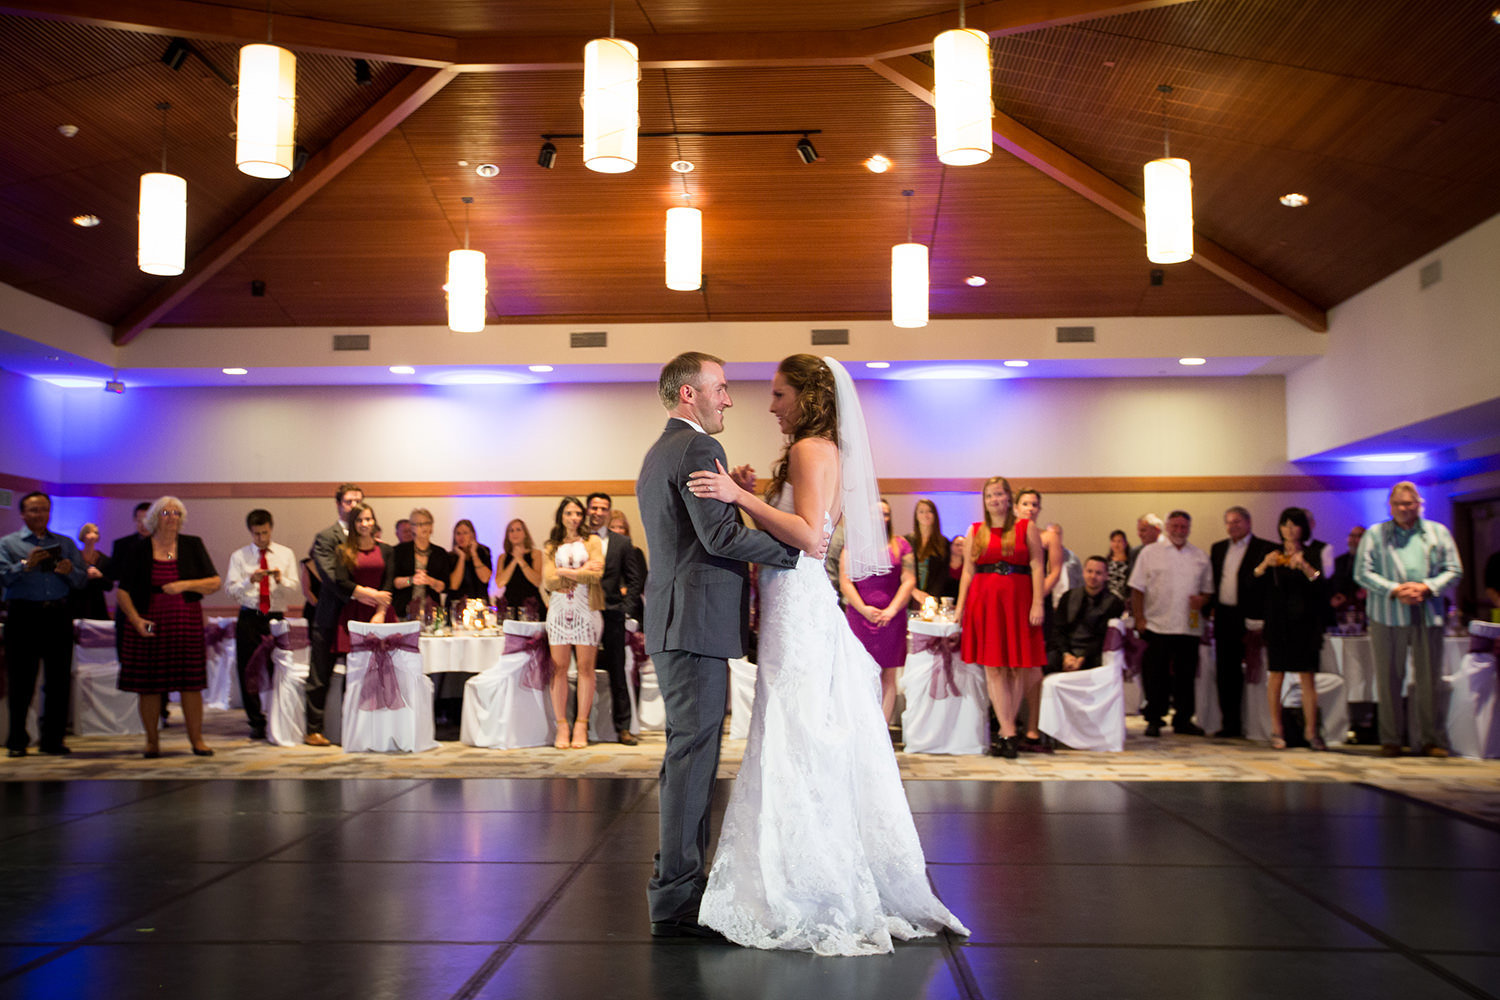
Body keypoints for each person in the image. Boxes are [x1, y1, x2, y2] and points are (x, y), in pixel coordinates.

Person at [685, 352, 966, 954]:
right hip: (795, 601)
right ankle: (803, 864)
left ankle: (805, 880)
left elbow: (812, 537)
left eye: (780, 394)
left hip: (797, 600)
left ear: (808, 397)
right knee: (798, 725)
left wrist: (741, 496)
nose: (770, 404)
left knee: (798, 727)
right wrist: (756, 496)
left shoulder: (814, 449)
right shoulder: (820, 450)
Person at [635, 350, 804, 941]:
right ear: (690, 394)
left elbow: (694, 532)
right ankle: (677, 901)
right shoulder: (699, 449)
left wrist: (740, 493)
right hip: (694, 626)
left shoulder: (662, 451)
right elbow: (720, 535)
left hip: (679, 622)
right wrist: (795, 553)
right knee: (692, 761)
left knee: (687, 757)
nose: (729, 398)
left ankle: (677, 885)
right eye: (722, 388)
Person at [1355, 481, 1463, 757]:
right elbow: (1362, 572)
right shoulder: (1376, 534)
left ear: (1419, 504)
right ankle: (1391, 740)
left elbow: (1454, 570)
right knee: (1389, 678)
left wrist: (1426, 587)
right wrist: (1394, 589)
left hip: (1427, 614)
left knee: (1429, 680)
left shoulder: (1437, 532)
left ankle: (1430, 740)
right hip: (1387, 614)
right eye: (1398, 504)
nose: (1403, 508)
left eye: (1408, 503)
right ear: (1390, 507)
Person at [114, 496, 221, 758]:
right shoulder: (139, 549)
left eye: (176, 513)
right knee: (149, 684)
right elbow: (123, 591)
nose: (171, 517)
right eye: (165, 512)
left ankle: (197, 740)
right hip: (149, 624)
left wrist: (184, 585)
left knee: (191, 683)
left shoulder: (191, 545)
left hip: (185, 622)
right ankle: (152, 742)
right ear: (154, 518)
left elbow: (214, 582)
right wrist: (136, 620)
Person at [955, 476, 1046, 758]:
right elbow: (968, 571)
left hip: (1018, 600)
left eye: (999, 494)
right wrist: (960, 608)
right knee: (993, 667)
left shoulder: (1025, 527)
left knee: (1016, 666)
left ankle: (1008, 731)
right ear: (984, 501)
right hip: (985, 602)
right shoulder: (975, 530)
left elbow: (1037, 565)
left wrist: (1038, 602)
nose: (994, 500)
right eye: (989, 496)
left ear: (1009, 498)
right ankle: (1008, 731)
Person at [1, 491, 86, 757]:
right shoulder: (8, 543)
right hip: (23, 616)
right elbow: (2, 577)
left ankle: (53, 740)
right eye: (34, 510)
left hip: (57, 616)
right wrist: (26, 564)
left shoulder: (65, 542)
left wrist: (69, 571)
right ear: (23, 513)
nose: (40, 515)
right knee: (21, 681)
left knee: (59, 682)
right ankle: (17, 740)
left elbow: (82, 580)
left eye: (45, 510)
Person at [1128, 510, 1213, 738]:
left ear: (1189, 529)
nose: (1179, 531)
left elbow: (1207, 591)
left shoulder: (1200, 556)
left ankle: (1183, 719)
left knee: (1186, 676)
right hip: (1157, 624)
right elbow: (1137, 589)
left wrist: (1202, 600)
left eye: (1183, 527)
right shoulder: (1150, 553)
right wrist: (1140, 619)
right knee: (1156, 675)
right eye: (1174, 526)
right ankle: (1154, 718)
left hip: (1188, 626)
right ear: (1167, 527)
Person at [1254, 508, 1329, 750]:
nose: (1289, 529)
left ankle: (1311, 732)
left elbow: (1323, 585)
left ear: (1303, 528)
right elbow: (1252, 583)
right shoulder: (1270, 552)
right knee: (1276, 675)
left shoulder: (1316, 551)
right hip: (1278, 622)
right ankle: (1277, 730)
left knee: (1307, 677)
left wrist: (1305, 566)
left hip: (1305, 623)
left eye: (1295, 525)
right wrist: (1265, 565)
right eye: (1285, 524)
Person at [223, 509, 302, 740]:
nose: (261, 538)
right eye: (256, 534)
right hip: (250, 615)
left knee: (279, 666)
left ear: (271, 528)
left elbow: (295, 588)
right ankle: (255, 720)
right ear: (250, 531)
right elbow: (229, 590)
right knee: (248, 668)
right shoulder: (239, 557)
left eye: (265, 533)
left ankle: (279, 715)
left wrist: (280, 579)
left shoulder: (285, 554)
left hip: (276, 616)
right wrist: (250, 580)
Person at [839, 497, 915, 723]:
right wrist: (862, 608)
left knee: (888, 672)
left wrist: (891, 610)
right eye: (876, 513)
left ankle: (882, 727)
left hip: (892, 617)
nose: (881, 517)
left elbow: (909, 580)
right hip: (860, 615)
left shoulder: (902, 545)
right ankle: (862, 724)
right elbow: (845, 581)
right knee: (860, 670)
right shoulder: (853, 545)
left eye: (886, 513)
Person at [1207, 506, 1277, 738]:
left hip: (1250, 619)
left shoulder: (1265, 548)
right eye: (1228, 522)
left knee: (1255, 673)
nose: (1232, 526)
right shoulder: (1218, 549)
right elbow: (1213, 583)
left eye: (1237, 522)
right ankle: (1230, 724)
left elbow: (1268, 587)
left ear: (1248, 523)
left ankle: (1257, 725)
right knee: (1226, 672)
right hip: (1224, 617)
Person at [542, 497, 604, 750]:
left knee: (586, 669)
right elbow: (548, 581)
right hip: (558, 610)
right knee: (559, 668)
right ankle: (562, 726)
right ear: (561, 516)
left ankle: (581, 724)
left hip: (586, 608)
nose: (575, 517)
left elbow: (596, 574)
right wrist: (579, 571)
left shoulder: (593, 541)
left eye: (578, 513)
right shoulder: (551, 545)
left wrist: (564, 572)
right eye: (569, 513)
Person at [306, 483, 364, 746]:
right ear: (339, 504)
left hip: (360, 616)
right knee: (321, 673)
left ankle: (352, 728)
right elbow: (330, 577)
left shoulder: (367, 534)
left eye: (358, 502)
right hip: (331, 614)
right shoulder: (326, 537)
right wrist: (360, 592)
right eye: (349, 502)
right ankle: (313, 729)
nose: (353, 506)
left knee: (358, 675)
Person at [586, 492, 646, 745]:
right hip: (582, 611)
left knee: (618, 670)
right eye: (594, 507)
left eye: (604, 508)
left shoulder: (621, 542)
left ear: (609, 512)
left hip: (612, 612)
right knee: (583, 669)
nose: (598, 512)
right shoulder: (577, 539)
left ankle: (623, 727)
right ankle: (580, 725)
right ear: (588, 510)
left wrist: (625, 608)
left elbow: (635, 579)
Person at [332, 503, 395, 655]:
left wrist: (380, 614)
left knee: (386, 662)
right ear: (353, 524)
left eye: (368, 519)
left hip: (382, 610)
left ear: (374, 521)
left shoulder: (386, 550)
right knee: (353, 664)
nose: (364, 524)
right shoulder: (343, 550)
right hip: (354, 611)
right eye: (359, 520)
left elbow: (388, 583)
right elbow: (341, 581)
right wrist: (372, 595)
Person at [1050, 556, 1126, 673]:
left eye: (1098, 573)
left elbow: (1104, 637)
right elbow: (1058, 629)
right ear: (1083, 572)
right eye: (1089, 571)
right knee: (1050, 660)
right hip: (1067, 649)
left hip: (1093, 653)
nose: (1093, 576)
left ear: (1106, 576)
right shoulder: (1068, 596)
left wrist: (1082, 658)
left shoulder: (1114, 603)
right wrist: (1066, 654)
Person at [390, 508, 450, 621]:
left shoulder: (440, 553)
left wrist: (430, 581)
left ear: (432, 527)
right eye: (419, 524)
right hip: (403, 612)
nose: (424, 527)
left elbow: (444, 586)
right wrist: (411, 580)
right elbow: (395, 582)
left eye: (427, 523)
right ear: (412, 528)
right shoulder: (399, 551)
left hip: (432, 612)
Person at [906, 498, 950, 610]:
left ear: (935, 515)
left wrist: (930, 598)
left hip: (932, 600)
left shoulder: (943, 543)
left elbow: (943, 574)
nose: (926, 515)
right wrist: (913, 591)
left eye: (929, 511)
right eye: (921, 511)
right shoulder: (907, 541)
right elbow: (901, 572)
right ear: (916, 516)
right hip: (908, 597)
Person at [496, 518, 545, 618]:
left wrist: (521, 560)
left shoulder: (536, 554)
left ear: (525, 533)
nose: (515, 533)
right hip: (510, 605)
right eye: (511, 530)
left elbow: (536, 581)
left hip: (531, 604)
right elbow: (500, 582)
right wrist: (514, 560)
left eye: (518, 529)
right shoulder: (503, 557)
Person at [608, 510, 650, 613]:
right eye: (613, 527)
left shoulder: (635, 552)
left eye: (621, 527)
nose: (617, 531)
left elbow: (641, 581)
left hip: (631, 604)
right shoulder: (600, 552)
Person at [70, 522, 113, 621]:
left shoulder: (104, 559)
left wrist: (100, 576)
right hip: (77, 602)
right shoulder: (74, 557)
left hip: (96, 604)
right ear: (83, 535)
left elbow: (109, 586)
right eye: (88, 532)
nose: (92, 535)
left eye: (96, 532)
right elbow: (69, 580)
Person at [447, 519, 492, 606]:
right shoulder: (450, 556)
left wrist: (474, 553)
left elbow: (485, 578)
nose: (461, 537)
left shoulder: (483, 552)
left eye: (465, 533)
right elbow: (454, 585)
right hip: (457, 605)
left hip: (479, 605)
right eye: (458, 533)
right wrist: (462, 557)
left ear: (473, 534)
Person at [1329, 525, 1367, 617]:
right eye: (1351, 536)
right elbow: (1330, 583)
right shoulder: (1339, 561)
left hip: (1363, 609)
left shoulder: (1372, 562)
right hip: (1340, 611)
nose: (1354, 540)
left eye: (1358, 536)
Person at [1105, 529, 1131, 601]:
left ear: (1125, 543)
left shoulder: (1131, 562)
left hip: (1123, 599)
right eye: (1113, 541)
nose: (1116, 544)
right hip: (1107, 599)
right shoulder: (1106, 562)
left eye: (1119, 541)